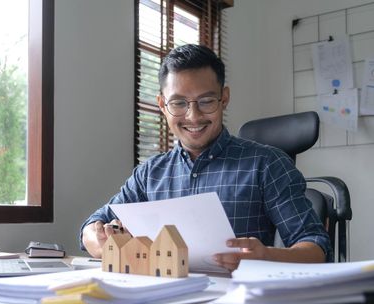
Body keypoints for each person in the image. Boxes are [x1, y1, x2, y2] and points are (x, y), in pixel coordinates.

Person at [80, 44, 332, 271]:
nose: (193, 116)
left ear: (224, 99)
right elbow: (94, 224)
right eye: (178, 103)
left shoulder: (266, 164)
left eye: (206, 101)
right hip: (159, 303)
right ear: (161, 105)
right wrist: (97, 240)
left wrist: (265, 255)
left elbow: (317, 249)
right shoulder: (149, 173)